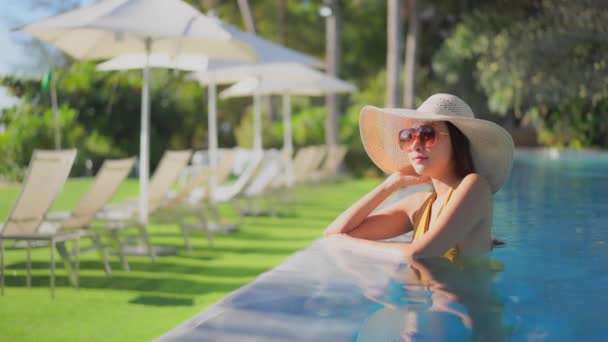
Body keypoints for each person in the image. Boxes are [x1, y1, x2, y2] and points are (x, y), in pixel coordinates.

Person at [324, 93, 514, 260]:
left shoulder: (475, 187)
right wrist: (391, 183)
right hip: (428, 299)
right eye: (408, 136)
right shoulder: (418, 205)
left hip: (465, 301)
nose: (415, 145)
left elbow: (418, 254)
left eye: (426, 133)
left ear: (457, 141)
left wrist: (346, 243)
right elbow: (334, 232)